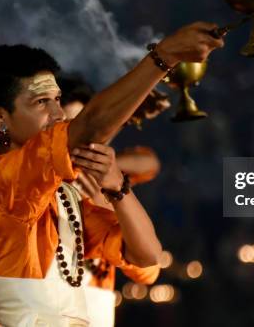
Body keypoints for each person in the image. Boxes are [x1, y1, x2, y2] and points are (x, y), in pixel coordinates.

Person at [0, 21, 222, 326]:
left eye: (57, 99)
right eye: (41, 102)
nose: (58, 115)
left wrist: (117, 190)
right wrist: (165, 56)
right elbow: (90, 128)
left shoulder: (66, 195)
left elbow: (147, 259)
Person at [57, 75, 165, 327]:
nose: (78, 137)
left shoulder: (102, 180)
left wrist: (102, 168)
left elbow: (149, 163)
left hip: (94, 297)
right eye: (68, 127)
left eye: (82, 124)